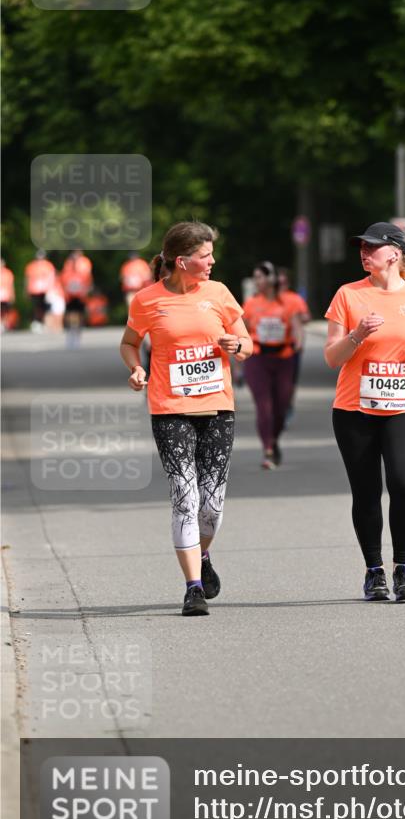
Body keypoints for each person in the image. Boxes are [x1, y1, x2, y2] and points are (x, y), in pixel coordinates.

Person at [120, 221, 252, 617]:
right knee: (184, 495)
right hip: (170, 409)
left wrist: (236, 344)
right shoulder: (147, 300)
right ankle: (193, 587)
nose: (212, 262)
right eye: (205, 256)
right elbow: (130, 343)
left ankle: (202, 554)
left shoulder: (219, 293)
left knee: (211, 506)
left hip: (217, 409)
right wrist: (136, 368)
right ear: (182, 261)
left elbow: (247, 343)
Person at [324, 222, 405, 602]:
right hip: (354, 410)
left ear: (394, 253)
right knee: (367, 491)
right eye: (361, 247)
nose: (363, 252)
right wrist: (357, 334)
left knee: (404, 483)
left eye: (371, 247)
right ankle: (374, 571)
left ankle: (403, 568)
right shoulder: (348, 294)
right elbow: (332, 357)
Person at [243, 262, 303, 469]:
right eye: (255, 277)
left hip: (283, 357)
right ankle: (268, 449)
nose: (257, 281)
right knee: (264, 406)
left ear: (272, 279)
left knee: (281, 407)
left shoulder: (288, 302)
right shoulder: (251, 304)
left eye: (261, 276)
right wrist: (237, 363)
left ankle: (274, 439)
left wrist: (298, 342)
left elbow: (297, 326)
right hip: (257, 358)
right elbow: (241, 332)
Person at [277, 266, 311, 425]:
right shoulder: (266, 298)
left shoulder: (295, 299)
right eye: (278, 283)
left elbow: (306, 317)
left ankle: (287, 405)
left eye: (284, 283)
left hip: (291, 346)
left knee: (290, 381)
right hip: (270, 347)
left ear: (288, 283)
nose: (281, 286)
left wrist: (296, 317)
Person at [61, 249, 93, 348]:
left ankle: (77, 333)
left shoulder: (85, 266)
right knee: (70, 314)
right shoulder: (67, 267)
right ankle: (71, 333)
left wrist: (86, 291)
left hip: (80, 295)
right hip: (70, 295)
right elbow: (63, 281)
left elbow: (88, 281)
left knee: (79, 314)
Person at [24, 250, 56, 331]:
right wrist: (26, 290)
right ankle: (36, 321)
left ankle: (44, 322)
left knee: (45, 307)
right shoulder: (31, 266)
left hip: (45, 290)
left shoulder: (48, 266)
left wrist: (51, 290)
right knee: (36, 307)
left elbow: (52, 278)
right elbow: (27, 279)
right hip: (34, 290)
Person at [0, 259, 16, 331]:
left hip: (6, 296)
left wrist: (12, 295)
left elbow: (11, 285)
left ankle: (4, 323)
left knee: (5, 311)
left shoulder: (8, 273)